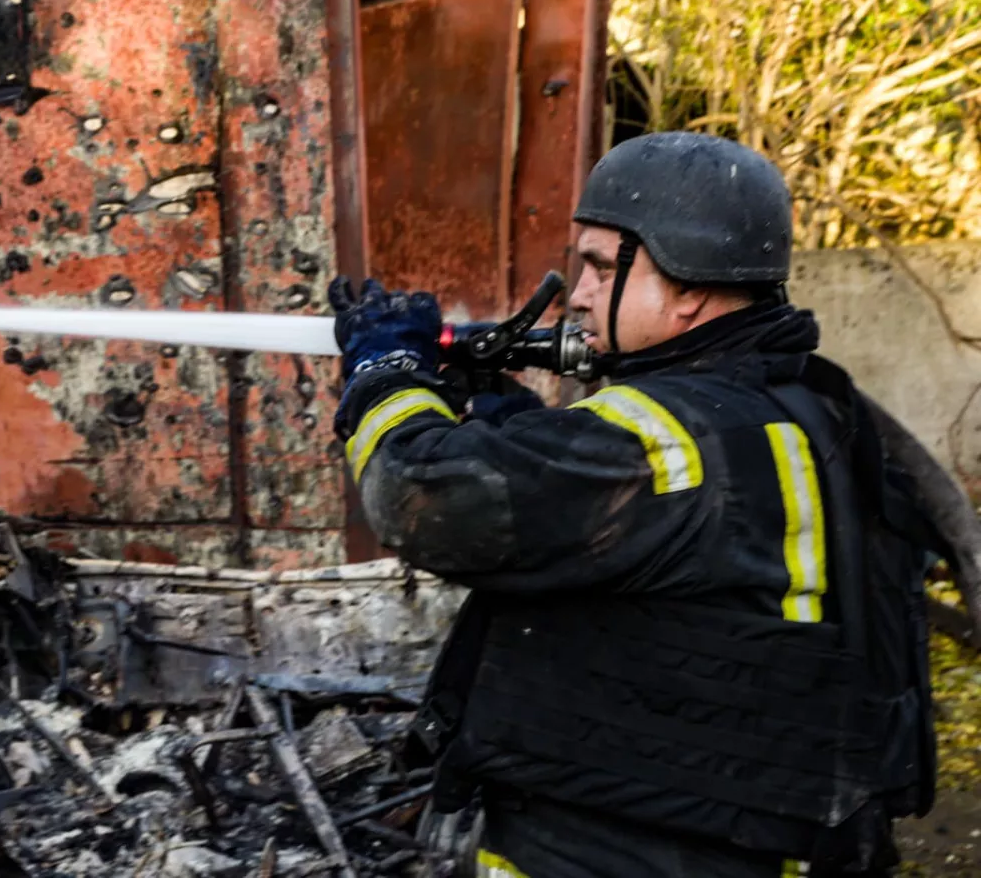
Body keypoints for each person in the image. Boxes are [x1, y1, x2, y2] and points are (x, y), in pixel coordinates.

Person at [329, 131, 950, 878]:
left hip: (633, 849)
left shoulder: (674, 443)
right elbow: (616, 513)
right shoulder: (794, 409)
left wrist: (385, 374)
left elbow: (418, 496)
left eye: (598, 266)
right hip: (730, 834)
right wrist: (494, 405)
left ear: (688, 290)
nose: (581, 293)